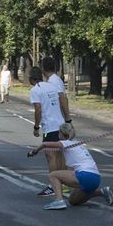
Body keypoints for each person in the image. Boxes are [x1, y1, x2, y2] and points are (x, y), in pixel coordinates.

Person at [28, 123, 113, 210]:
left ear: (61, 134)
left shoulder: (64, 143)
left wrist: (34, 151)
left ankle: (59, 201)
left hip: (85, 175)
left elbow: (45, 144)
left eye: (59, 133)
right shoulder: (78, 144)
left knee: (53, 175)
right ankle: (102, 192)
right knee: (72, 201)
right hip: (96, 178)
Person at [29, 67, 67, 196]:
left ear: (31, 78)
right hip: (60, 124)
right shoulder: (51, 86)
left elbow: (38, 109)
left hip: (49, 127)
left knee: (51, 157)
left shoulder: (35, 90)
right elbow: (61, 99)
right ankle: (64, 182)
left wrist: (36, 126)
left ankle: (53, 185)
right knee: (59, 155)